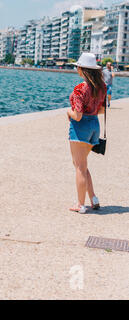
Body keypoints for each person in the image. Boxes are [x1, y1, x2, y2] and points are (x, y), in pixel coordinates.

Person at [68, 53, 107, 214]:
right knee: (82, 165)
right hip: (94, 126)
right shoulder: (102, 87)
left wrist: (68, 112)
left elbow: (77, 115)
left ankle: (80, 204)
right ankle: (94, 199)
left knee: (79, 167)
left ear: (82, 69)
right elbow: (102, 110)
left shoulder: (80, 89)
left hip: (80, 128)